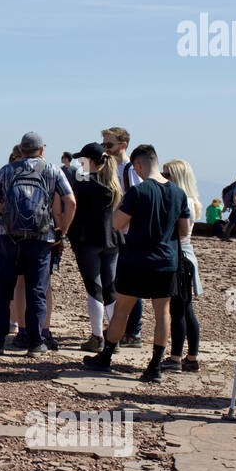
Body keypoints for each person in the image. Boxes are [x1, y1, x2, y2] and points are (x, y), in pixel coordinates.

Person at [82, 144, 189, 381]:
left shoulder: (138, 192)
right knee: (162, 313)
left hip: (137, 260)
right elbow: (184, 230)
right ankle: (155, 366)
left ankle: (106, 357)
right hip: (166, 261)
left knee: (122, 310)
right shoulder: (178, 193)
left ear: (138, 165)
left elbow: (117, 224)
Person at [0, 132, 75, 355]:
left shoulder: (7, 170)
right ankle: (36, 342)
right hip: (41, 238)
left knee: (3, 289)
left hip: (8, 236)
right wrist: (62, 232)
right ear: (42, 150)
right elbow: (70, 201)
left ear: (21, 150)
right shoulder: (53, 170)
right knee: (37, 290)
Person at [68, 142, 120, 352]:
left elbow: (72, 208)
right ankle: (113, 337)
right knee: (110, 289)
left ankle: (97, 336)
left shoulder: (83, 184)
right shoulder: (113, 185)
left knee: (94, 288)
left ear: (90, 161)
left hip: (88, 241)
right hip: (112, 240)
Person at [101, 127, 144, 346]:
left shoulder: (129, 170)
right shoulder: (110, 167)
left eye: (109, 145)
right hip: (116, 233)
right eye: (104, 145)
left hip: (128, 234)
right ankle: (124, 328)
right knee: (119, 283)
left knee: (130, 284)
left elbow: (137, 201)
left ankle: (133, 330)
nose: (105, 149)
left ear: (123, 145)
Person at [161, 159, 204, 372]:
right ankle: (191, 357)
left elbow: (181, 231)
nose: (163, 177)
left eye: (167, 174)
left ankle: (176, 358)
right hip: (187, 257)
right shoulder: (189, 199)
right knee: (187, 310)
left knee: (179, 310)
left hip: (181, 259)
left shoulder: (180, 199)